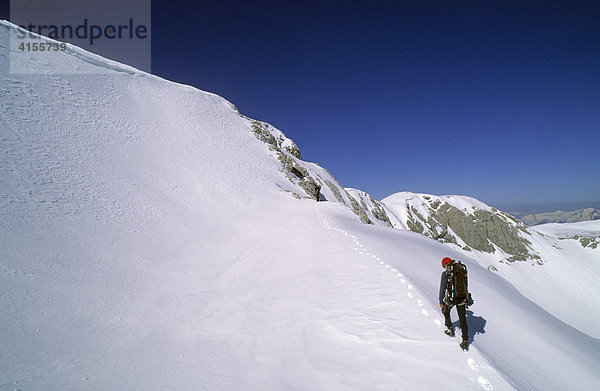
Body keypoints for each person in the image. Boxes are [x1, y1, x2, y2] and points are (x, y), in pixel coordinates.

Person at [439, 257, 469, 350]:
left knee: (445, 311)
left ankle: (450, 329)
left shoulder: (445, 274)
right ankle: (465, 341)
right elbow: (465, 285)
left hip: (451, 299)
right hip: (461, 298)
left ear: (445, 265)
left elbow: (442, 288)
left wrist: (441, 301)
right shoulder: (461, 270)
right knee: (462, 319)